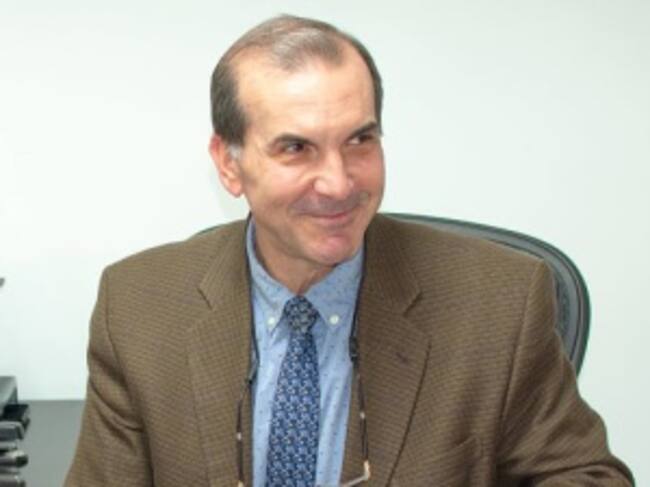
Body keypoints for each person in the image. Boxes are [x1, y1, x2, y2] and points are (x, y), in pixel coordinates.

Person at [65, 15, 633, 487]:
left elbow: (587, 477)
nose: (338, 184)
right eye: (296, 148)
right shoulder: (136, 308)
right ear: (228, 164)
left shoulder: (501, 303)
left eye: (360, 140)